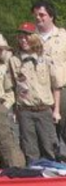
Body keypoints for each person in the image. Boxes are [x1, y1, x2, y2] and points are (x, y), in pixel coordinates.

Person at [31, 0, 66, 163]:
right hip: (41, 94)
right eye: (35, 15)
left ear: (51, 16)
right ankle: (52, 170)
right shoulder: (30, 39)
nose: (38, 18)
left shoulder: (64, 38)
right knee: (47, 137)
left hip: (64, 91)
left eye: (42, 14)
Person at [10, 22, 60, 163]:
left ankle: (53, 174)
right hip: (25, 111)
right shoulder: (14, 60)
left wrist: (56, 110)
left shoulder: (46, 59)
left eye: (27, 37)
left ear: (34, 38)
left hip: (44, 110)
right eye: (20, 37)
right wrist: (15, 111)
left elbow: (56, 86)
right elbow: (13, 87)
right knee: (29, 149)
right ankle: (34, 175)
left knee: (49, 146)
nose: (23, 40)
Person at [0, 35, 27, 168]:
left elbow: (10, 91)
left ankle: (16, 170)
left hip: (0, 107)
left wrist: (4, 107)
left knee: (6, 142)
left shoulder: (4, 67)